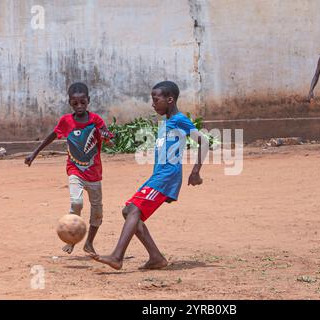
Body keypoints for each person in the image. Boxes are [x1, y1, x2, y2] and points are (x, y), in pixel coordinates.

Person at [90, 81, 208, 270]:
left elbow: (204, 142)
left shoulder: (179, 119)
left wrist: (195, 172)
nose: (153, 104)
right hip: (159, 175)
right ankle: (156, 257)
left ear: (170, 100)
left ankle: (117, 257)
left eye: (156, 99)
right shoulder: (166, 122)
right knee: (128, 211)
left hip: (167, 177)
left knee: (134, 209)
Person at [25, 82, 114, 255]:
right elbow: (51, 136)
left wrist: (107, 138)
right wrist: (34, 154)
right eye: (75, 103)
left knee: (97, 211)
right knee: (76, 202)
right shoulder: (66, 121)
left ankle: (89, 243)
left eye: (83, 102)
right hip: (75, 170)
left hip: (94, 174)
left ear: (88, 100)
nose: (79, 106)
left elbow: (109, 140)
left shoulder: (96, 120)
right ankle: (71, 238)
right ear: (70, 103)